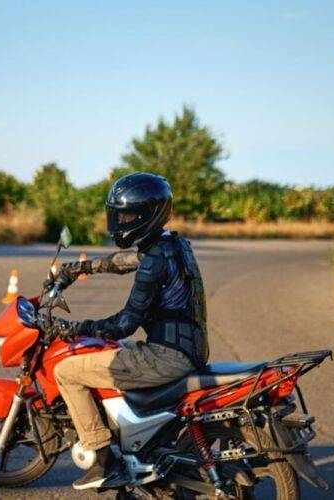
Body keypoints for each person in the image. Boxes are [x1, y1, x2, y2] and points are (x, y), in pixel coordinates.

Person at [45, 172, 210, 490]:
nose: (121, 221)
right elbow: (126, 260)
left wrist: (76, 328)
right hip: (187, 348)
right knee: (112, 355)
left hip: (167, 356)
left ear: (148, 215)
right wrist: (81, 267)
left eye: (128, 215)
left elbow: (124, 325)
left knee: (67, 371)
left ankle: (105, 459)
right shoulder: (172, 244)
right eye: (118, 214)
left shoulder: (154, 261)